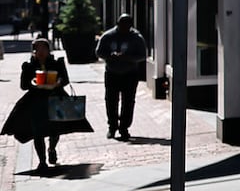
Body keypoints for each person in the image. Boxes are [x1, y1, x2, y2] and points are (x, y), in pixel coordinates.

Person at [2, 38, 94, 169]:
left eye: (43, 48)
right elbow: (23, 86)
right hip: (36, 101)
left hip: (55, 99)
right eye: (37, 49)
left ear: (48, 49)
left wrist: (57, 83)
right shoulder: (28, 66)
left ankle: (51, 148)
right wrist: (33, 83)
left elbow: (65, 80)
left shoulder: (57, 63)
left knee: (55, 130)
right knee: (37, 132)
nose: (40, 51)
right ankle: (42, 161)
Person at [95, 13, 148, 140]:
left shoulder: (136, 37)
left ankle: (124, 127)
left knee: (128, 101)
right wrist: (110, 56)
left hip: (130, 74)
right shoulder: (108, 36)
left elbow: (142, 55)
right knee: (111, 101)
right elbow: (99, 52)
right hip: (112, 73)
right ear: (117, 24)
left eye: (127, 25)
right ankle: (112, 127)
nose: (124, 28)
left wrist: (128, 58)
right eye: (122, 25)